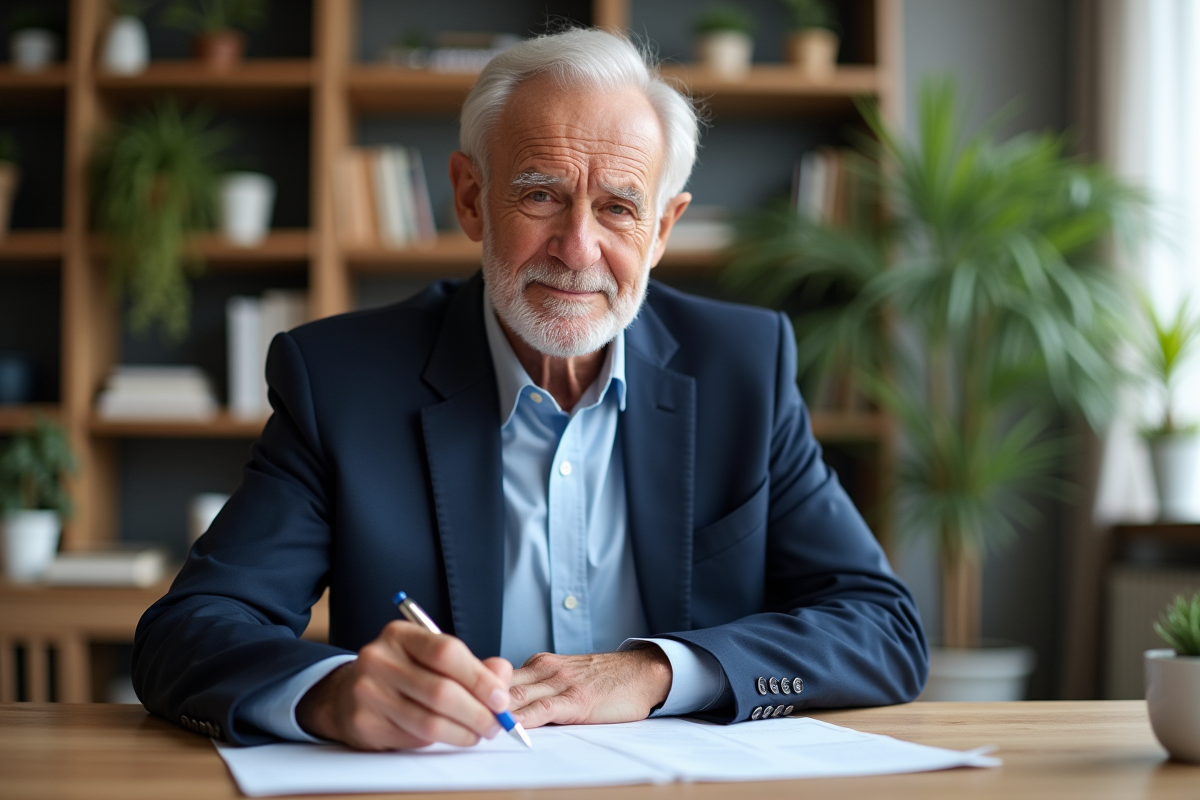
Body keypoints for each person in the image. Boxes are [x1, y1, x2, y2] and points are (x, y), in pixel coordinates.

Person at [133, 28, 927, 750]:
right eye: (541, 194)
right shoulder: (341, 381)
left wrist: (658, 672)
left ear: (663, 229)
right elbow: (188, 632)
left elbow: (881, 628)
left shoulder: (741, 369)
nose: (578, 249)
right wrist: (327, 694)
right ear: (472, 198)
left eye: (619, 208)